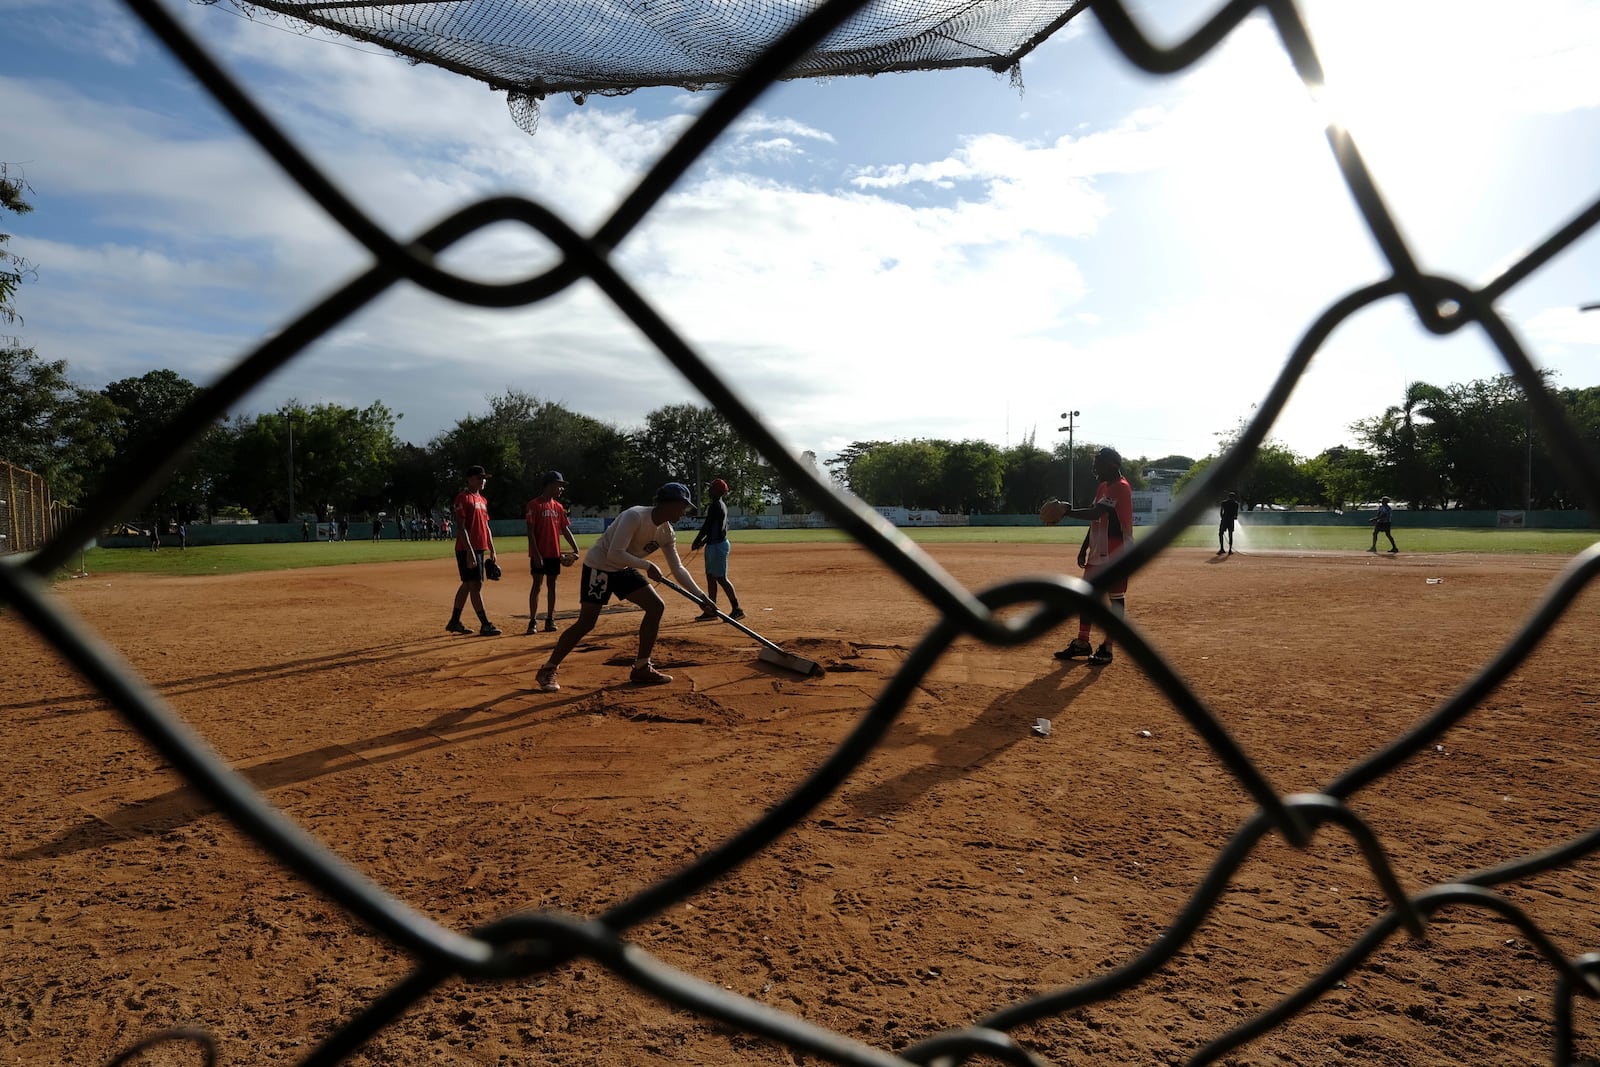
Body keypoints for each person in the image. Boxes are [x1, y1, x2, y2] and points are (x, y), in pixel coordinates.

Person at [534, 482, 713, 691]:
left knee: (656, 606)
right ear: (668, 504)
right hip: (599, 566)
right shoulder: (635, 516)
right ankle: (548, 669)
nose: (684, 512)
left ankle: (641, 667)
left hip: (623, 569)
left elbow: (678, 569)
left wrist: (701, 597)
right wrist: (647, 565)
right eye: (682, 506)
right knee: (586, 623)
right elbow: (614, 553)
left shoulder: (666, 532)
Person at [1050, 447, 1134, 666]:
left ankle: (1107, 647)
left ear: (1112, 465)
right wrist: (1084, 546)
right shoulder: (1103, 487)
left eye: (1098, 463)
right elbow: (1095, 518)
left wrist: (1066, 511)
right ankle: (1082, 642)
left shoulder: (1121, 488)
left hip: (1117, 552)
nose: (1094, 467)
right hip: (1098, 550)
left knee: (1115, 599)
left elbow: (1097, 512)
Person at [445, 465, 502, 636]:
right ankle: (485, 624)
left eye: (484, 478)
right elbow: (461, 528)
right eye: (479, 478)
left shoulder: (482, 500)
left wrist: (492, 549)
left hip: (479, 547)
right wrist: (469, 551)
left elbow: (486, 526)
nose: (483, 481)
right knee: (475, 585)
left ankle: (454, 621)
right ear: (469, 479)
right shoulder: (463, 498)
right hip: (466, 548)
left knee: (468, 585)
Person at [525, 470, 581, 634]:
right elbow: (530, 532)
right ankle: (533, 620)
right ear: (549, 485)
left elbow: (564, 529)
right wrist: (536, 555)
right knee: (537, 585)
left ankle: (550, 619)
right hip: (539, 554)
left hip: (554, 554)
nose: (561, 489)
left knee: (552, 586)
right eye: (559, 485)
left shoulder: (558, 507)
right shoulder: (534, 505)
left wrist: (575, 549)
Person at [690, 477, 744, 620]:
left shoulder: (716, 506)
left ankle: (737, 608)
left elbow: (708, 525)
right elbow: (718, 528)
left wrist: (697, 540)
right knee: (711, 577)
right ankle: (711, 610)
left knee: (720, 578)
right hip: (714, 544)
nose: (709, 490)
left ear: (717, 491)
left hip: (717, 546)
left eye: (711, 488)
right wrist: (705, 541)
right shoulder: (720, 505)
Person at [1218, 491, 1239, 555]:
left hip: (1224, 519)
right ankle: (1230, 550)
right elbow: (1236, 513)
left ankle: (1222, 549)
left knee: (1220, 533)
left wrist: (1222, 518)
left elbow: (1221, 512)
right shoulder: (1236, 504)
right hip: (1231, 520)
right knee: (1230, 534)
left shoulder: (1223, 503)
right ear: (1234, 497)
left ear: (1228, 497)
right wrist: (1235, 517)